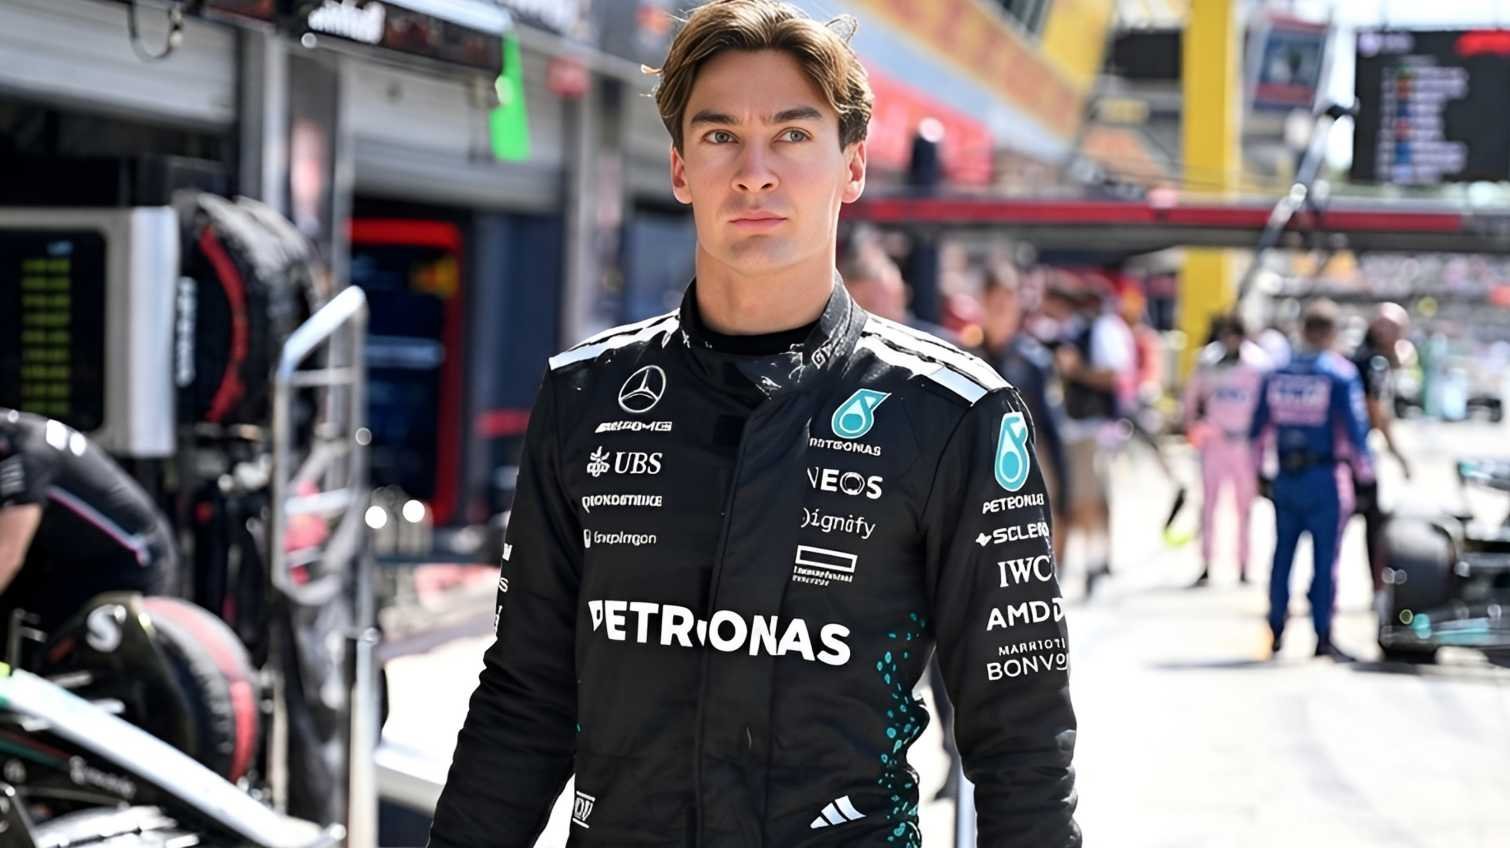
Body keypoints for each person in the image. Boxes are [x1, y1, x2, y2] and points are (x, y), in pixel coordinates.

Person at [426, 2, 1080, 845]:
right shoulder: (585, 397)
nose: (754, 171)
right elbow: (525, 698)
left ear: (852, 167)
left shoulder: (955, 415)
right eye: (721, 135)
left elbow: (1021, 740)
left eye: (794, 136)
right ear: (679, 168)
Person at [1249, 301, 1374, 661]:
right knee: (1325, 561)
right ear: (1331, 333)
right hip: (1325, 477)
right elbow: (1356, 432)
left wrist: (1259, 472)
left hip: (1286, 477)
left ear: (1303, 329)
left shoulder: (1277, 372)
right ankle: (1322, 635)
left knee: (1282, 556)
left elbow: (1257, 429)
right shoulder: (1338, 374)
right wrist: (1365, 477)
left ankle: (1276, 628)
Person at [0, 409, 178, 651]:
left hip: (126, 563)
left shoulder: (24, 451)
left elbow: (7, 554)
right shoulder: (16, 432)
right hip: (73, 560)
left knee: (49, 654)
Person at [1051, 281, 1135, 595]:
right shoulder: (1079, 330)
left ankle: (1095, 561)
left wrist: (1077, 371)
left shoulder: (1104, 331)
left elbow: (1111, 375)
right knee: (1084, 498)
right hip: (1080, 425)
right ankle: (1093, 560)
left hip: (1095, 427)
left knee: (1089, 499)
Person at [1182, 316, 1269, 586]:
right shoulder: (1209, 361)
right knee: (1209, 504)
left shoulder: (1258, 364)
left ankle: (1243, 565)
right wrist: (1191, 426)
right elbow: (1191, 399)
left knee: (1245, 507)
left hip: (1244, 443)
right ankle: (1206, 563)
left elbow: (1266, 407)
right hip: (1215, 440)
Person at [1350, 303, 1412, 598]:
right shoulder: (1373, 363)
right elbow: (1376, 411)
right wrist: (1397, 453)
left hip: (1352, 454)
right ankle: (1377, 590)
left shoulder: (1370, 359)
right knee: (1375, 527)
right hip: (1357, 457)